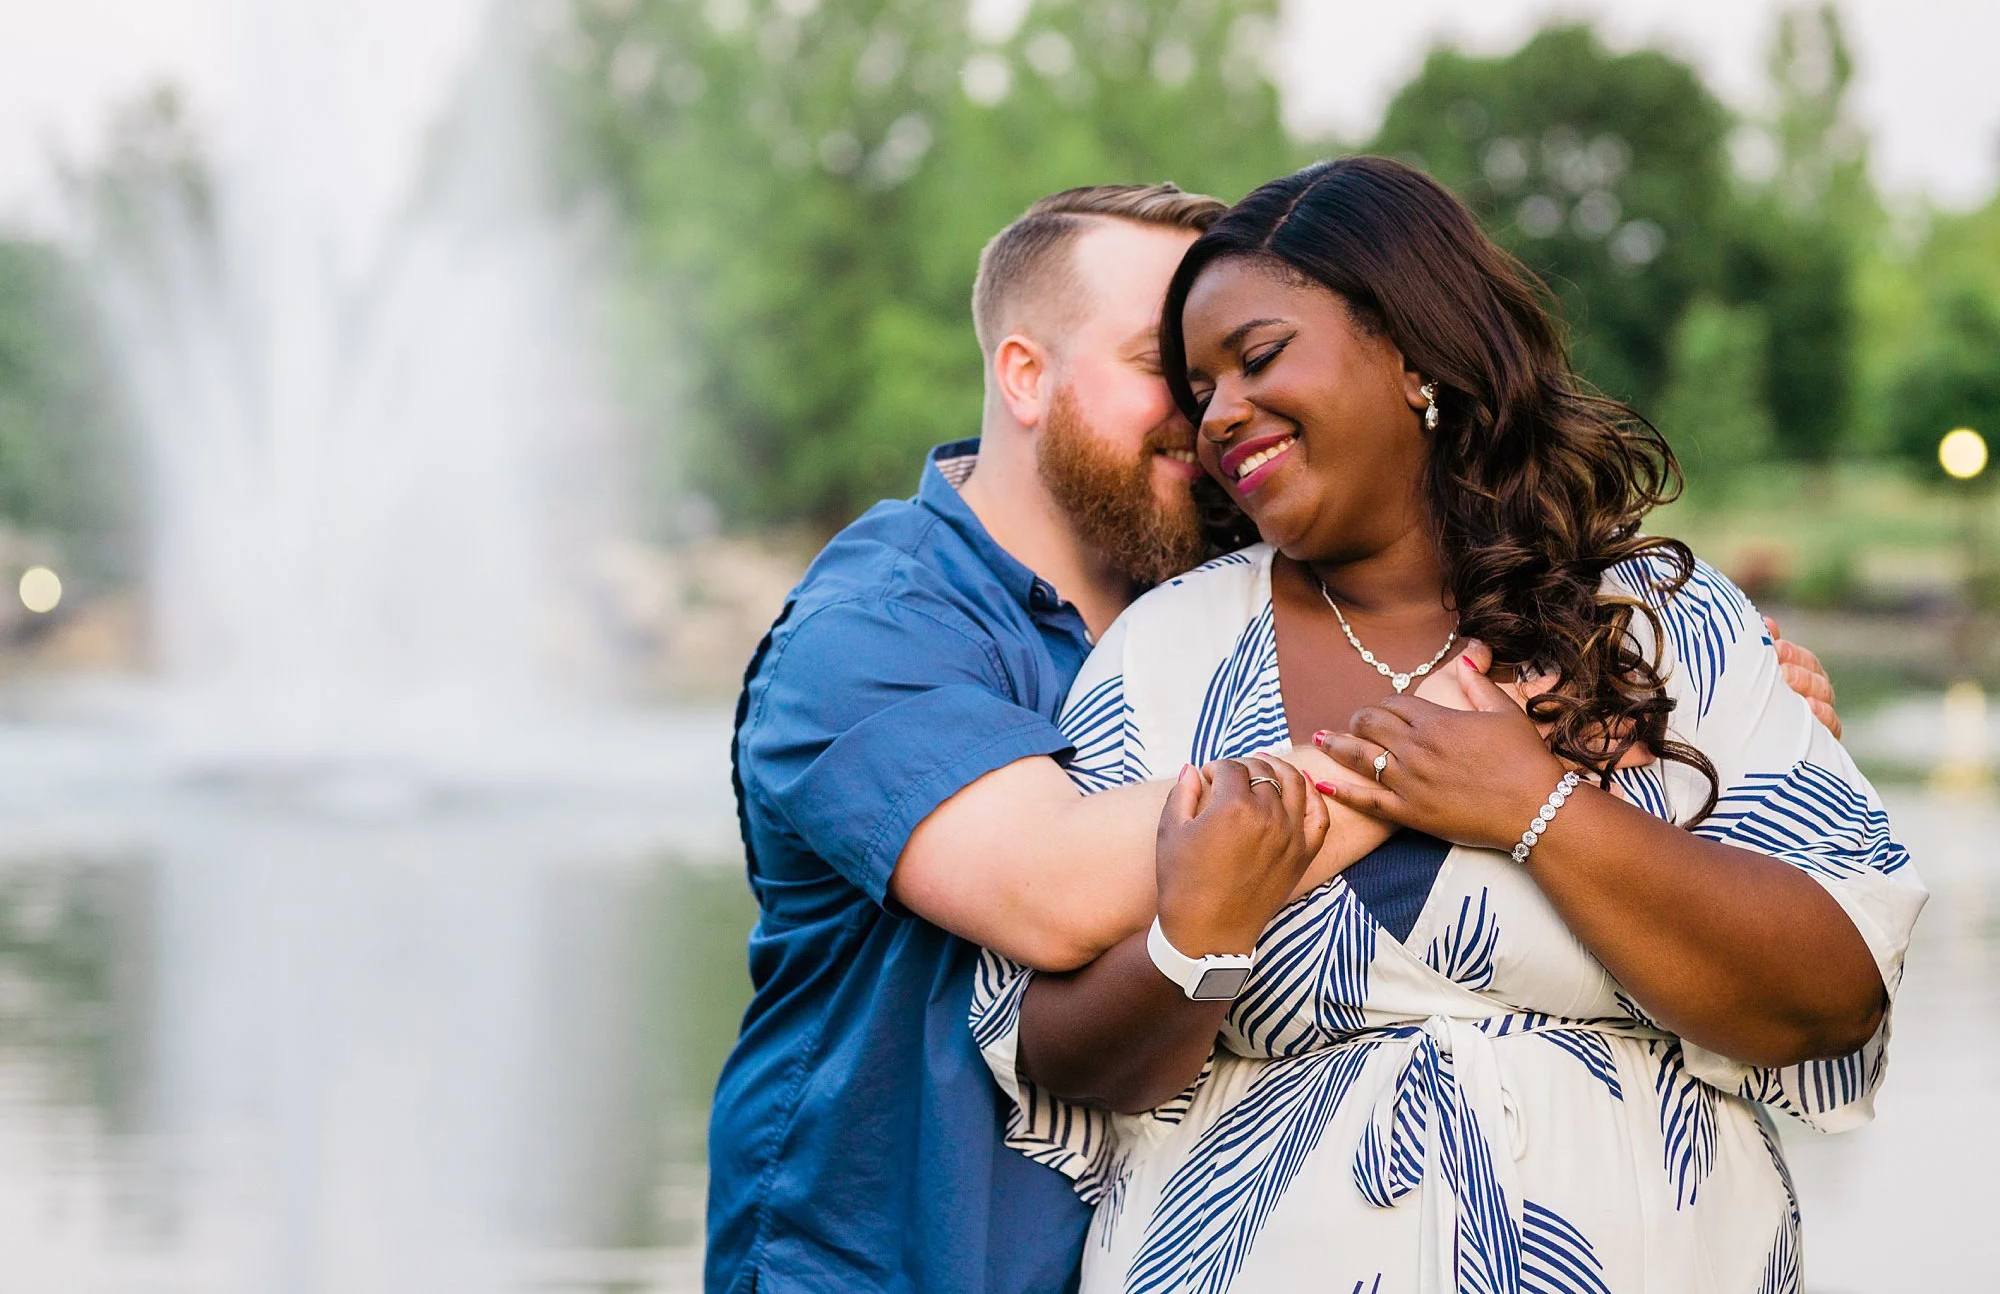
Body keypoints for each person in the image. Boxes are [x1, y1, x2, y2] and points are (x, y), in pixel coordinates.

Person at [708, 180, 1843, 1294]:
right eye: (1173, 373)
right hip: (897, 1261)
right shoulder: (876, 632)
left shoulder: (1217, 593)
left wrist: (1735, 711)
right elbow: (1049, 888)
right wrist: (1479, 745)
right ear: (1023, 374)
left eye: (1240, 365)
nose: (1206, 421)